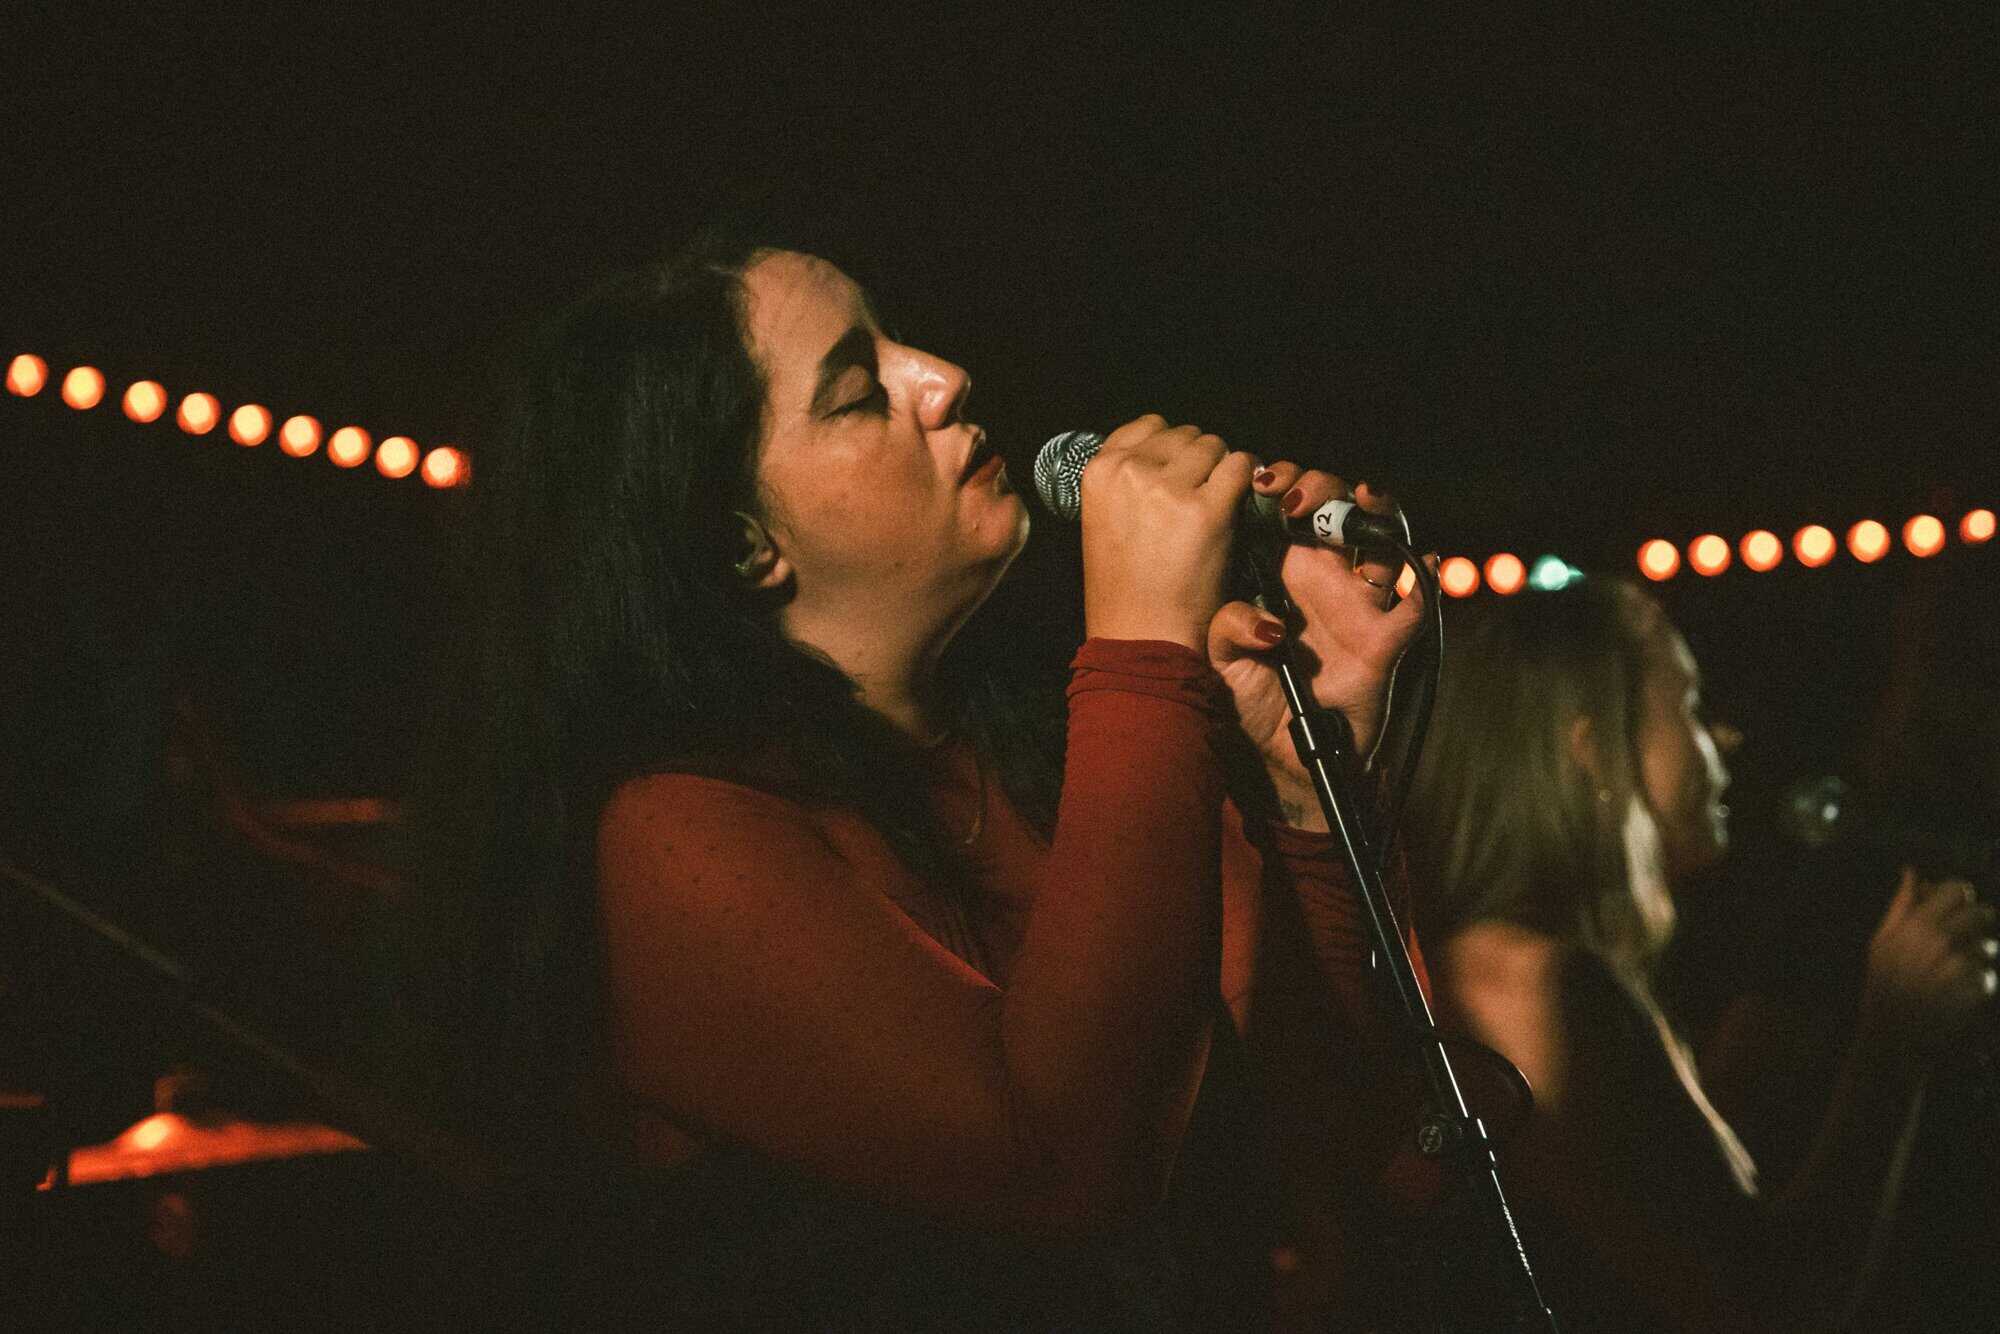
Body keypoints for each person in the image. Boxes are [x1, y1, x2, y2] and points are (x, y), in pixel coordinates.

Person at [381, 224, 1440, 1329]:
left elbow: (1330, 1140)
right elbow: (1064, 1164)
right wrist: (1140, 641)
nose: (943, 377)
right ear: (744, 544)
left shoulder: (1063, 752)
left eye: (901, 346)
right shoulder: (673, 834)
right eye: (857, 393)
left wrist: (1306, 784)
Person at [1402, 577, 1998, 1332]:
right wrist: (1895, 1038)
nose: (1724, 737)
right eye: (1686, 706)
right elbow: (1765, 1303)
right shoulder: (1536, 981)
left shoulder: (1544, 968)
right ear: (1593, 750)